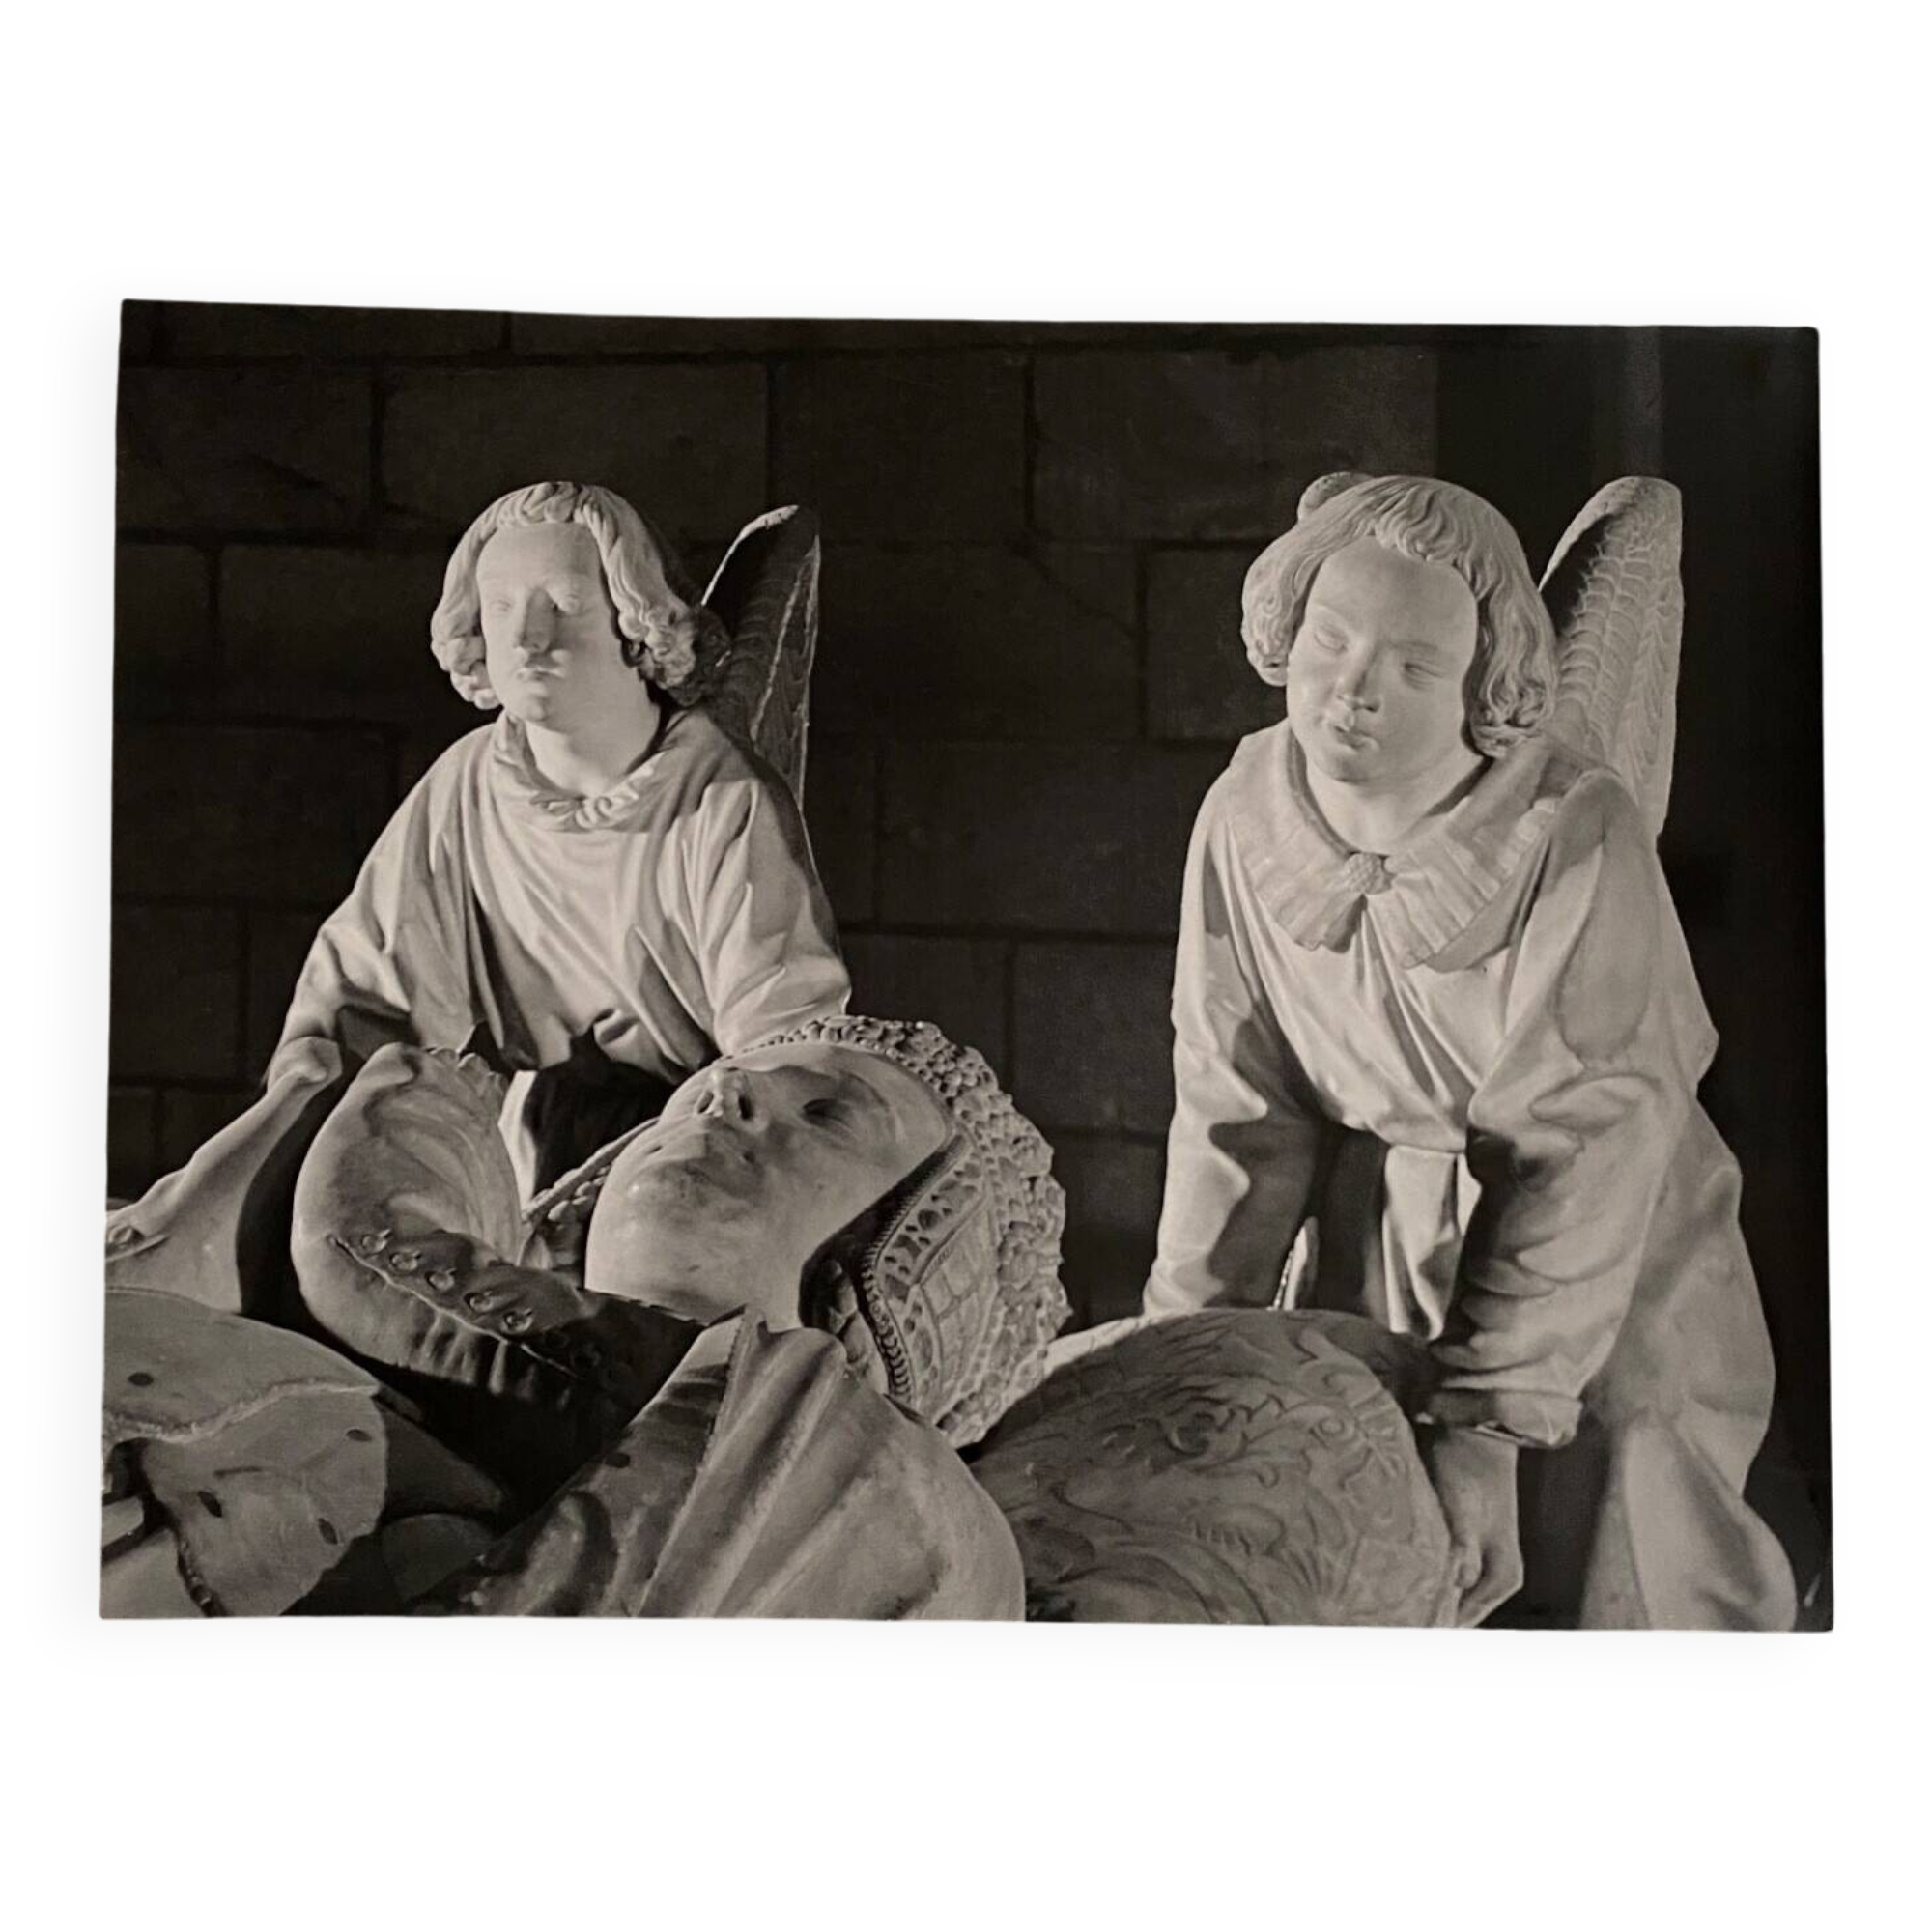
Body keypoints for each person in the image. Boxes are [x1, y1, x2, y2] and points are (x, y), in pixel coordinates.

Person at [1142, 474, 1797, 1633]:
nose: (1351, 694)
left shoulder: (1563, 829)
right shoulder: (1243, 810)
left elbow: (1585, 1130)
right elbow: (1236, 1107)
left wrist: (1489, 1416)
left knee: (1633, 1520)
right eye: (1330, 643)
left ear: (1480, 691)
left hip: (1609, 1228)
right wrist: (1186, 1342)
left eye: (1411, 669)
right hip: (1384, 1216)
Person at [103, 482, 849, 1320]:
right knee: (328, 1095)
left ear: (635, 622)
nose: (527, 639)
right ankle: (171, 1252)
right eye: (500, 609)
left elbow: (784, 1042)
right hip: (501, 1144)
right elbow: (365, 1000)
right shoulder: (467, 783)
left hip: (670, 1164)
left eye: (564, 605)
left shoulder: (718, 797)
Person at [103, 1016, 1068, 1619]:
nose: (725, 1094)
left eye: (827, 1116)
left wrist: (380, 1244)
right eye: (705, 1089)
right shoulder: (331, 1251)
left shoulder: (904, 1508)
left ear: (912, 1271)